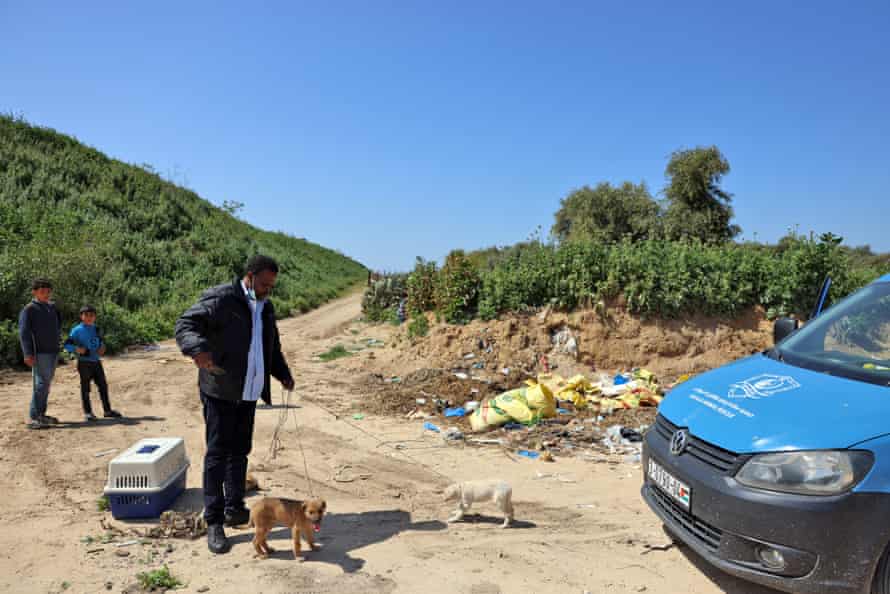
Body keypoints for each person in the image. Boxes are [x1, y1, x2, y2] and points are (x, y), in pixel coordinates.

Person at [175, 255, 295, 554]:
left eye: (272, 285)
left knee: (240, 451)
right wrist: (198, 349)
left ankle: (234, 508)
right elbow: (186, 324)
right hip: (220, 389)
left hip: (249, 391)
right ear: (250, 276)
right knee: (218, 453)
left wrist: (283, 374)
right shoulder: (222, 298)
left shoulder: (266, 308)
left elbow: (271, 347)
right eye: (264, 284)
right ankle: (214, 521)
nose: (268, 289)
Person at [64, 305, 122, 422]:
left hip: (96, 361)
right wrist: (77, 349)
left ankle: (107, 410)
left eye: (92, 315)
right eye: (86, 315)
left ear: (95, 317)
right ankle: (88, 413)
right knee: (86, 388)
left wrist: (103, 347)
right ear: (81, 316)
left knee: (103, 386)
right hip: (84, 363)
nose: (89, 317)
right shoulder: (77, 330)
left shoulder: (96, 328)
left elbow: (100, 342)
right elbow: (67, 345)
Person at [18, 278, 62, 430]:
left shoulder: (52, 307)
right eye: (42, 291)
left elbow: (58, 326)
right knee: (41, 384)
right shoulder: (29, 309)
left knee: (46, 385)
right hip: (39, 353)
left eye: (48, 291)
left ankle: (41, 414)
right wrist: (27, 353)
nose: (46, 294)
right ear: (34, 292)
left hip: (53, 351)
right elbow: (23, 333)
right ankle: (34, 418)